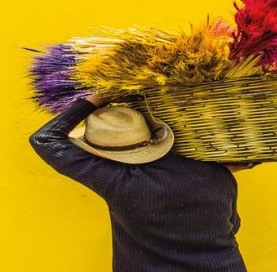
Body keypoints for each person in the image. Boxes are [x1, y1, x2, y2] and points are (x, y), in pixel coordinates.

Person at [28, 92, 260, 272]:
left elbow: (45, 139)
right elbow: (233, 225)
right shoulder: (217, 174)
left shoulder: (119, 183)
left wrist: (99, 97)